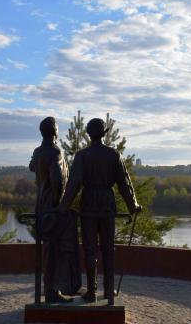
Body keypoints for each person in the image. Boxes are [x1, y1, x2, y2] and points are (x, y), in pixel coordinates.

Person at [59, 118, 141, 305]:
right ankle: (109, 294)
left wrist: (62, 207)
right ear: (104, 133)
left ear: (88, 133)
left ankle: (92, 292)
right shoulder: (113, 154)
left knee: (90, 250)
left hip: (88, 203)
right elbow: (124, 183)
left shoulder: (82, 155)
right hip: (106, 202)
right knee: (108, 249)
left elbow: (74, 185)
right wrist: (133, 204)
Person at [29, 117, 81, 303]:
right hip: (53, 207)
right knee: (56, 251)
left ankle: (51, 289)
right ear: (54, 132)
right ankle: (52, 291)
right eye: (57, 128)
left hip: (41, 205)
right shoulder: (55, 151)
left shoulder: (38, 151)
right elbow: (58, 180)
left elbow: (32, 167)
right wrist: (60, 206)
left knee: (47, 250)